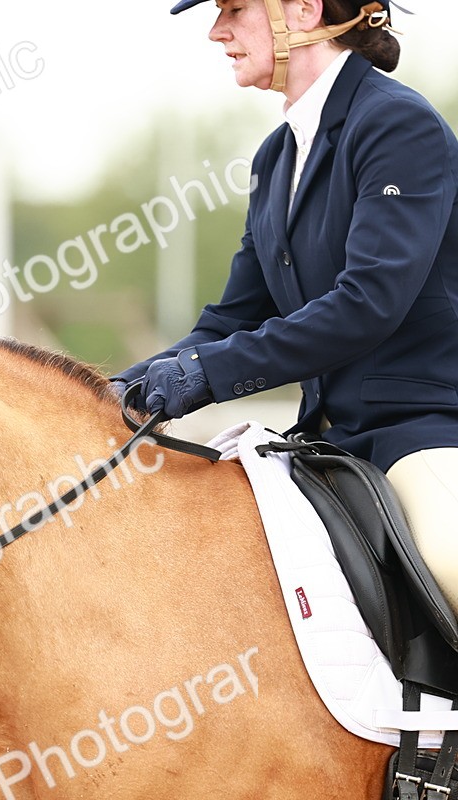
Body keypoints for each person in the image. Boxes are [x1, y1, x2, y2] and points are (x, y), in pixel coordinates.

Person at [110, 0, 458, 612]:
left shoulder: (399, 126)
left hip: (419, 432)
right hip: (324, 443)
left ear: (303, 9)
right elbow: (236, 314)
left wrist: (207, 375)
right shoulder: (276, 157)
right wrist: (121, 389)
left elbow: (367, 304)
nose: (218, 31)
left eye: (235, 9)